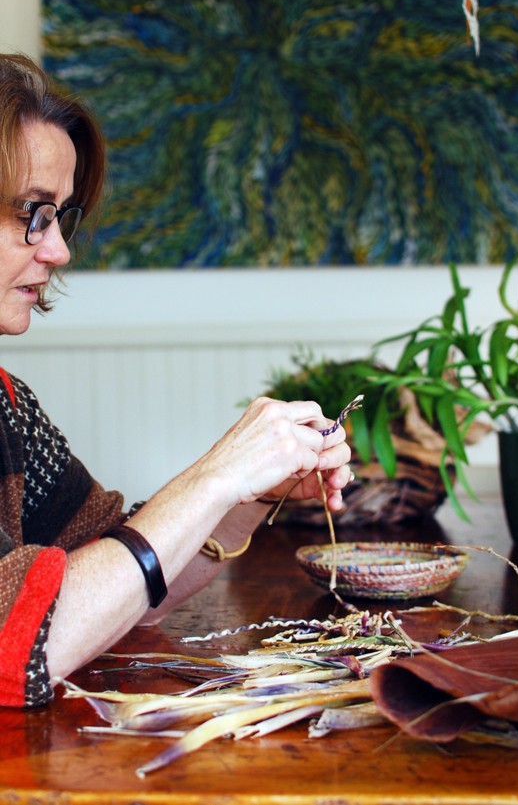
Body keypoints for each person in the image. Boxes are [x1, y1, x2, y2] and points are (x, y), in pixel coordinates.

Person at [0, 53, 352, 708]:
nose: (59, 250)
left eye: (62, 217)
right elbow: (20, 648)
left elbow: (119, 584)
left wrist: (249, 494)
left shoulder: (8, 405)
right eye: (34, 213)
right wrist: (215, 473)